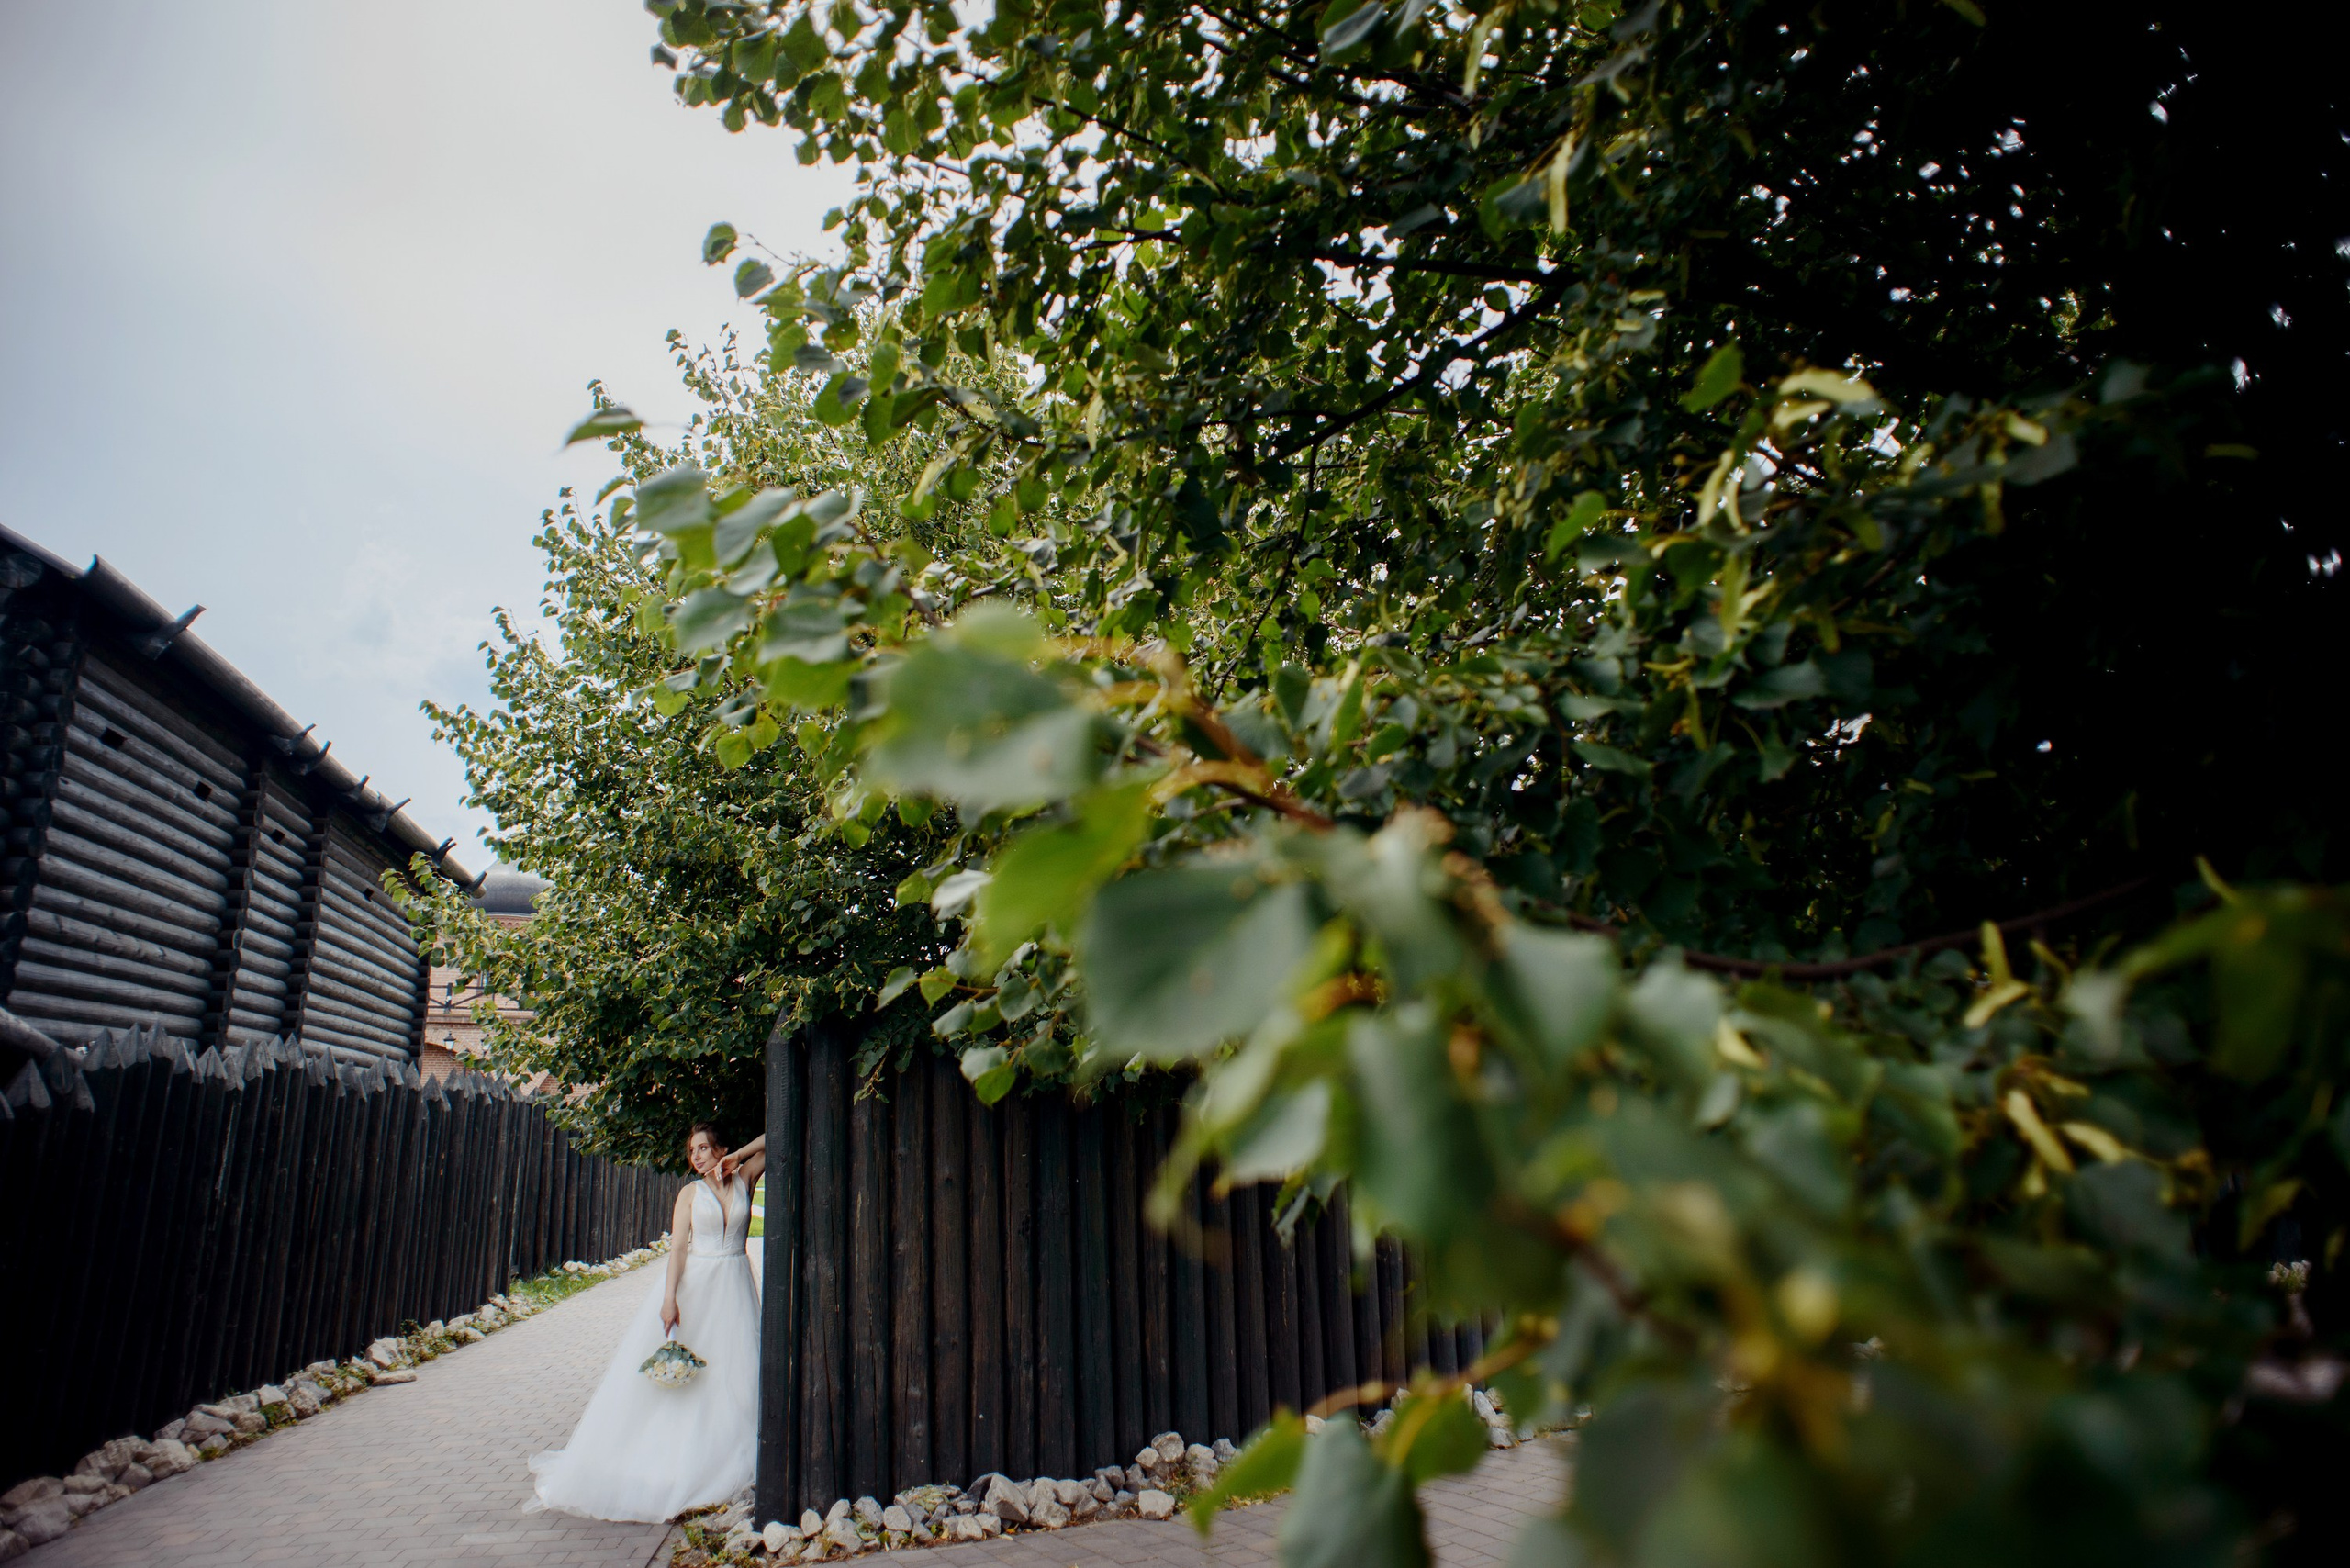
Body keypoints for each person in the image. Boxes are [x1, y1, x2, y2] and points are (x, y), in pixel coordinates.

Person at [528, 1123, 764, 1521]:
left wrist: (737, 1155)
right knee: (693, 1376)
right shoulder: (690, 1194)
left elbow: (774, 1136)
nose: (699, 1156)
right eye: (694, 1151)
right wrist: (669, 1298)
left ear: (720, 1148)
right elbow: (677, 1249)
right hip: (698, 1289)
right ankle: (678, 1460)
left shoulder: (744, 1177)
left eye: (705, 1148)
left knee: (736, 1372)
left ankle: (732, 1459)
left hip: (736, 1284)